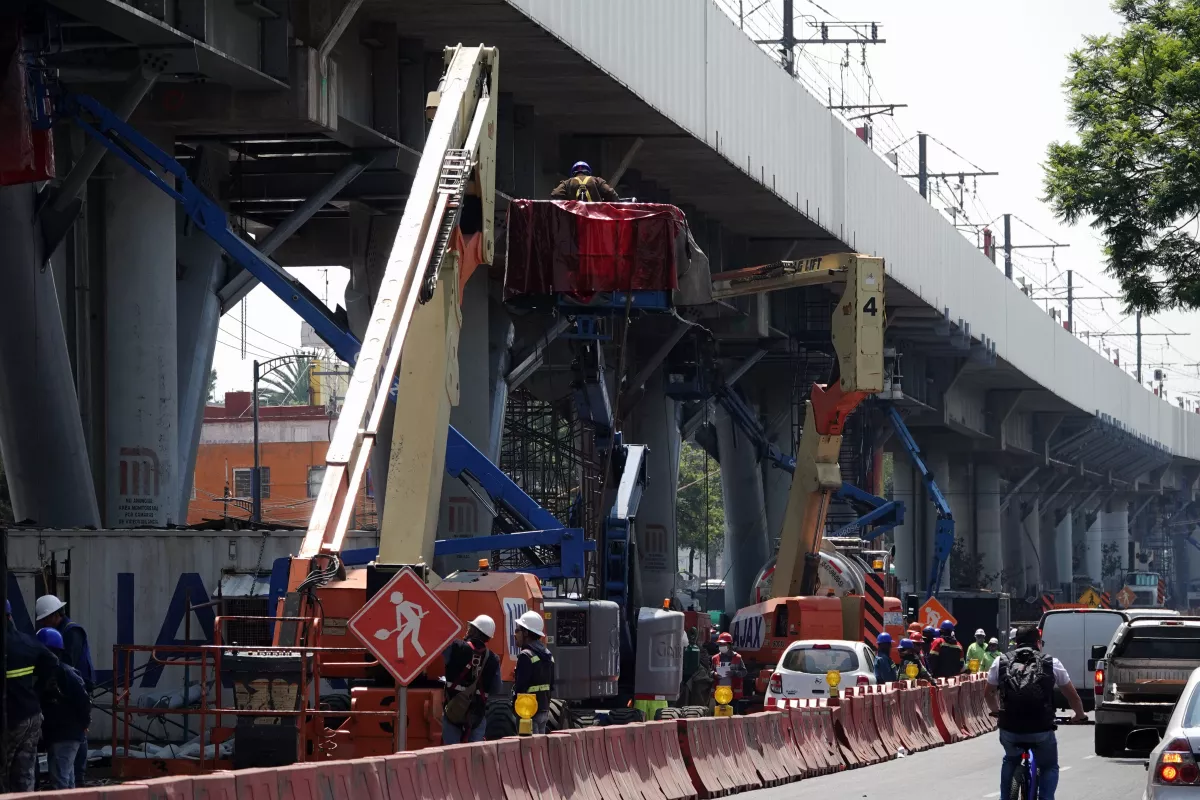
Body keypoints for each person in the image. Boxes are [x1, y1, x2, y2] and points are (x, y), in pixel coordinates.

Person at [985, 625, 1087, 800]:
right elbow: (1072, 696)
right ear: (1038, 642)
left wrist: (996, 711)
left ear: (1016, 643)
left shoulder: (999, 661)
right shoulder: (1051, 662)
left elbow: (988, 693)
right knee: (1049, 766)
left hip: (1010, 727)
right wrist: (1080, 715)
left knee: (1010, 760)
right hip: (1041, 727)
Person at [36, 593, 95, 786]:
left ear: (54, 615)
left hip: (77, 686)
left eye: (45, 619)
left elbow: (68, 664)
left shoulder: (71, 632)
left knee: (77, 732)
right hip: (69, 685)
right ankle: (74, 780)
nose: (43, 624)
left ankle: (79, 778)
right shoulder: (58, 632)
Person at [2, 600, 57, 794]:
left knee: (3, 774)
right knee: (24, 774)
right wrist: (37, 691)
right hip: (32, 716)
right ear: (10, 616)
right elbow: (52, 662)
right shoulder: (27, 642)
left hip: (10, 720)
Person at [441, 615, 502, 744]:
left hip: (453, 711)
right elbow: (496, 688)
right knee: (475, 755)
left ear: (475, 631)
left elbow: (440, 649)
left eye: (470, 628)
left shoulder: (456, 647)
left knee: (451, 753)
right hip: (477, 715)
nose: (467, 630)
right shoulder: (493, 659)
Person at [512, 610, 555, 733]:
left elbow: (520, 687)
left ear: (526, 633)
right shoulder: (548, 654)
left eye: (517, 630)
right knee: (538, 749)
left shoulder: (525, 656)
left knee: (528, 749)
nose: (515, 635)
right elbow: (551, 685)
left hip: (528, 712)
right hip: (544, 709)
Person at [550, 161, 620, 202]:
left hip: (574, 220)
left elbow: (555, 194)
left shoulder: (567, 183)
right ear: (588, 172)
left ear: (574, 173)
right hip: (595, 220)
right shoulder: (597, 180)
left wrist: (568, 203)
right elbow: (612, 194)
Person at [711, 632, 748, 703]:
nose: (722, 646)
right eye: (720, 644)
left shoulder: (737, 657)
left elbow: (744, 672)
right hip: (719, 693)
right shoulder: (715, 658)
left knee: (732, 712)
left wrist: (734, 673)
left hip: (733, 692)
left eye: (724, 644)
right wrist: (714, 674)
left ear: (729, 645)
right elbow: (709, 672)